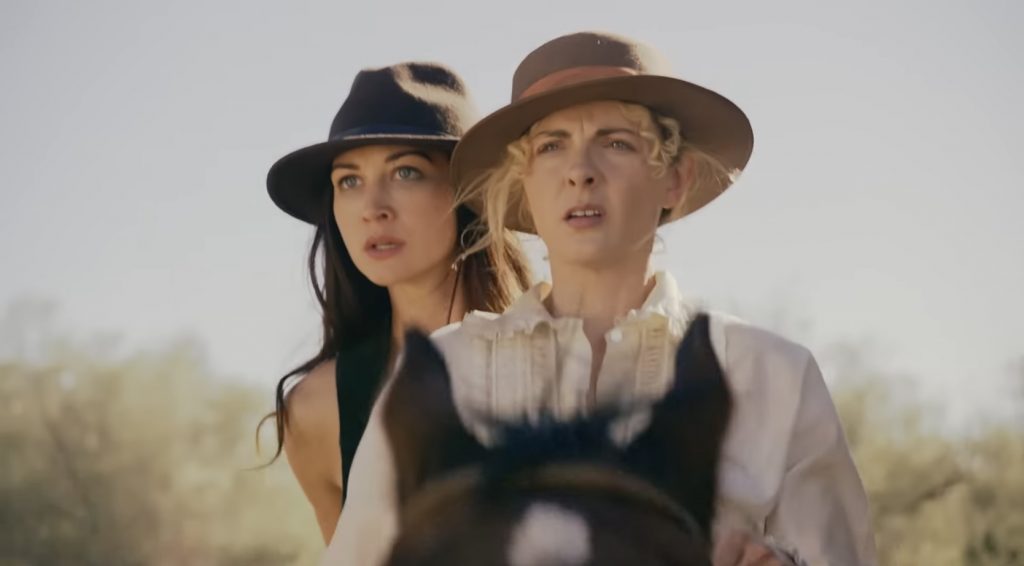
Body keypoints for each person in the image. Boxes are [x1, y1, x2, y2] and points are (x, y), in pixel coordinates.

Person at [326, 33, 878, 566]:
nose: (580, 173)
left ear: (675, 179)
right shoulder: (443, 372)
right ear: (525, 183)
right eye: (551, 146)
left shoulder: (774, 376)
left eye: (616, 143)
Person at [261, 61, 531, 543]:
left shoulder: (565, 357)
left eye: (406, 172)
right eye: (349, 181)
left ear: (468, 192)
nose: (373, 208)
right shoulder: (320, 410)